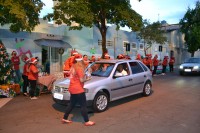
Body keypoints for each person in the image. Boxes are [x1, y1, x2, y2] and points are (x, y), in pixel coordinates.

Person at [61, 53, 95, 126]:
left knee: (71, 104)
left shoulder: (73, 66)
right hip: (78, 89)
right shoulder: (79, 68)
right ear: (80, 60)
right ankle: (87, 121)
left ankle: (65, 118)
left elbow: (74, 76)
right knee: (83, 105)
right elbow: (81, 80)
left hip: (72, 88)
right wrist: (88, 79)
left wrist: (86, 73)